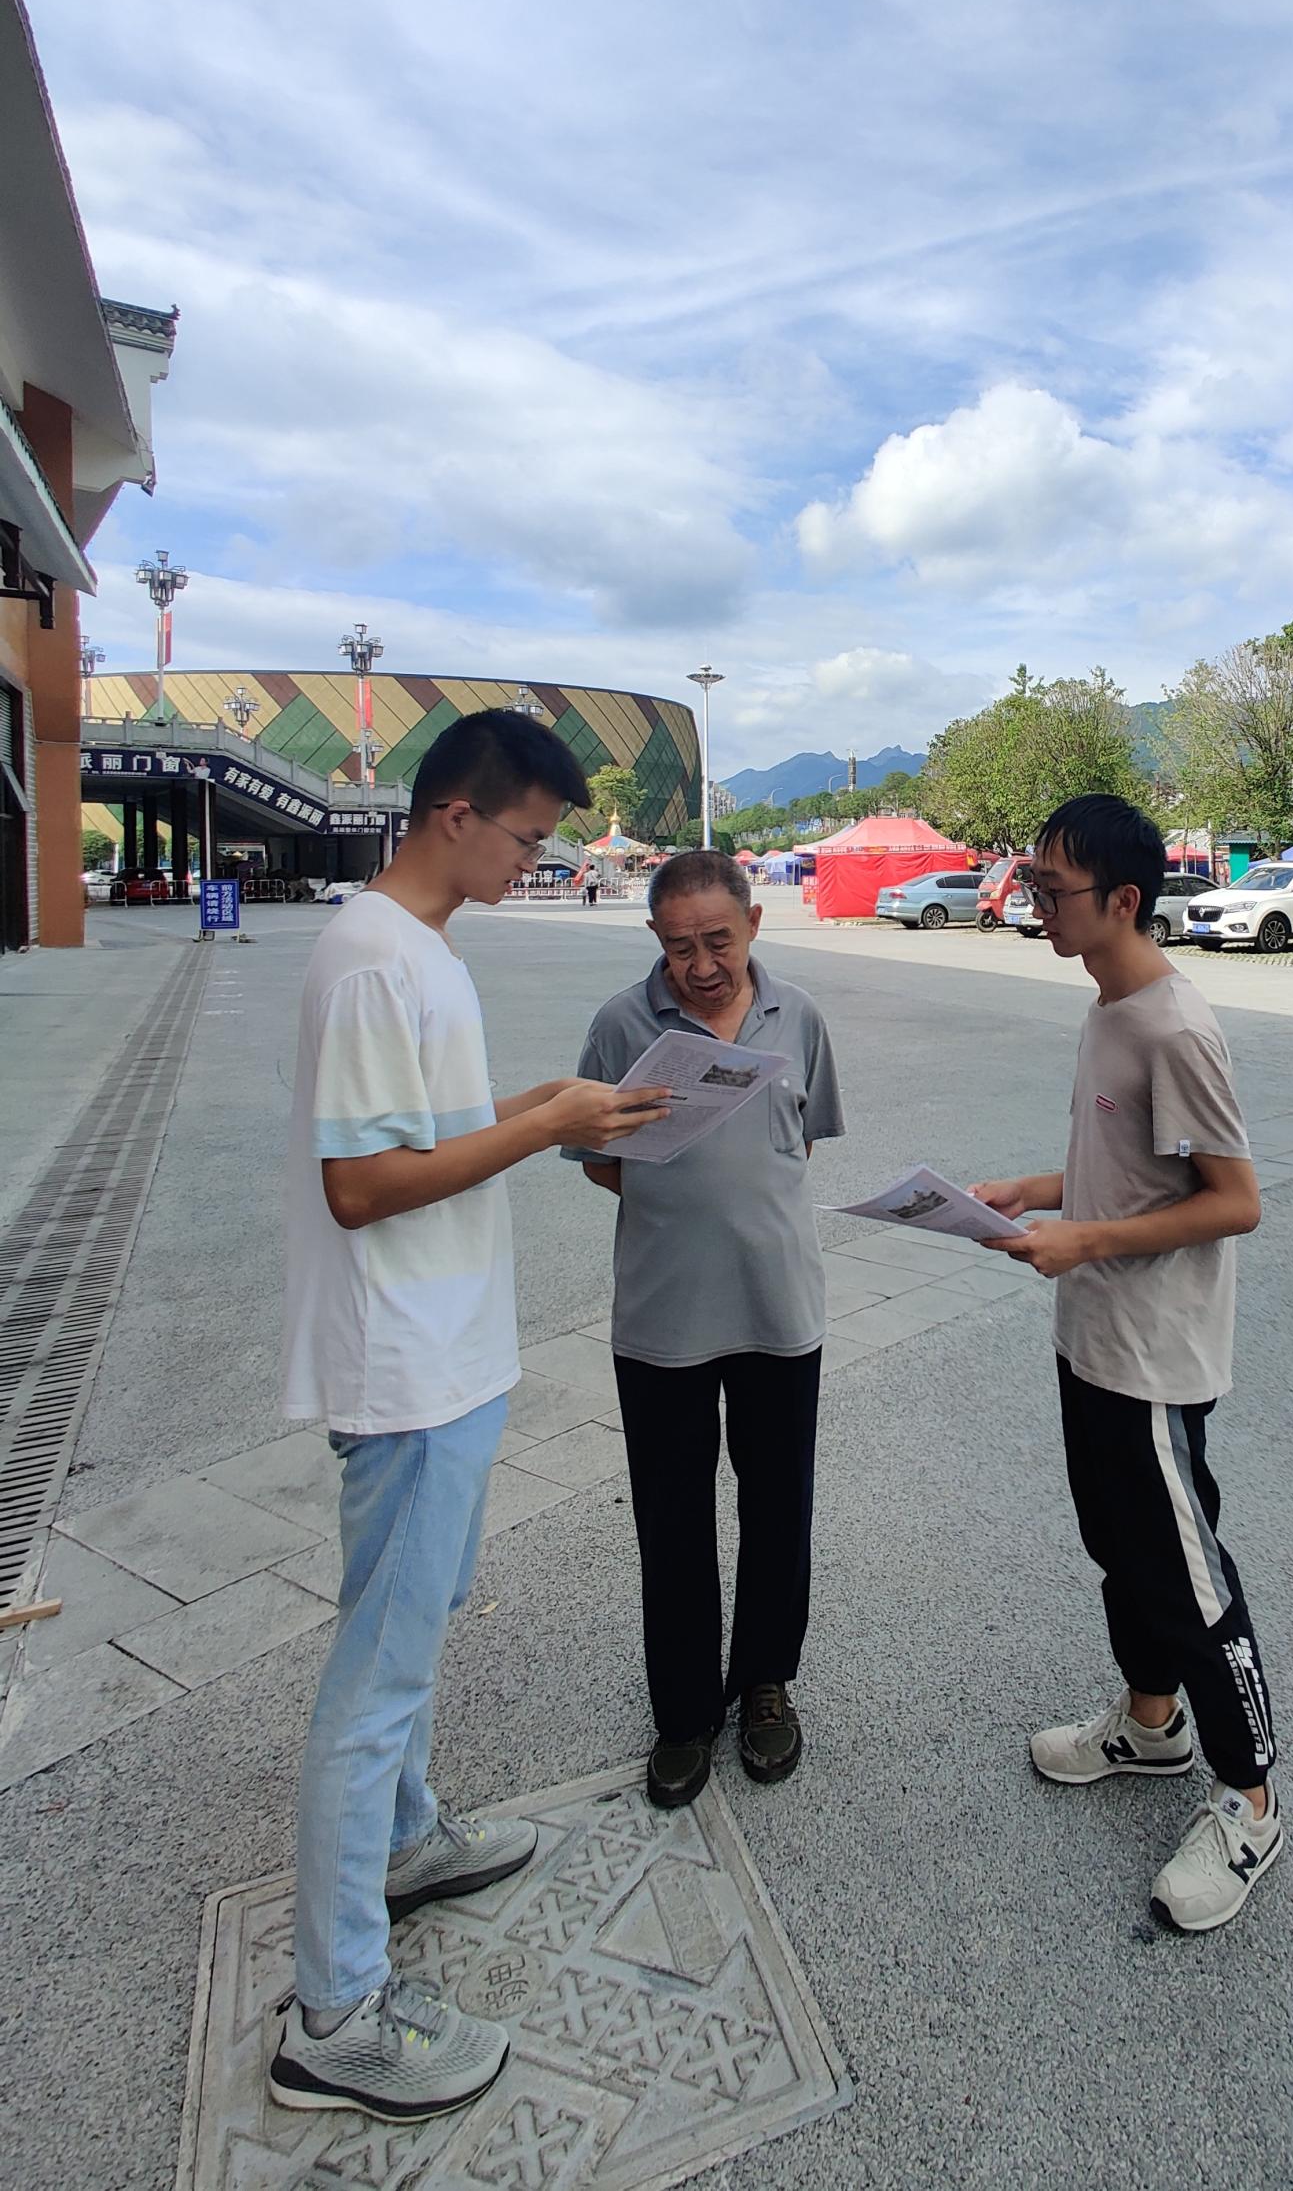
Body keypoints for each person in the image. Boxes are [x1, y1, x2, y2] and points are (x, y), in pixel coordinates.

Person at [270, 710, 671, 2125]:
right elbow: (361, 1185)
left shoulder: (419, 950)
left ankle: (404, 1837)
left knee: (413, 1622)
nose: (536, 862)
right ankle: (336, 2012)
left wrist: (544, 1102)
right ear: (455, 815)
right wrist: (547, 1127)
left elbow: (422, 1130)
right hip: (405, 1367)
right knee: (377, 1672)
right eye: (528, 838)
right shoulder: (374, 957)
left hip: (443, 1351)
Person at [971, 794, 1279, 1934]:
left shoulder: (1173, 1028)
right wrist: (1032, 1188)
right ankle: (1151, 1725)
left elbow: (1232, 1200)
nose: (1034, 904)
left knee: (1190, 1582)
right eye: (1031, 882)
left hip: (1153, 1357)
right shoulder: (1105, 1006)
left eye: (1052, 889)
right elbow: (1131, 1165)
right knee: (1122, 1552)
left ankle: (1250, 1799)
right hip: (1091, 1337)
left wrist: (1083, 1240)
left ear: (1123, 900)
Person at [569, 847, 844, 1809]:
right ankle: (684, 1713)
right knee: (672, 1519)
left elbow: (801, 1143)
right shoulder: (620, 1026)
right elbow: (598, 1160)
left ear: (753, 924)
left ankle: (765, 1682)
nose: (701, 965)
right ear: (655, 937)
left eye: (719, 941)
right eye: (680, 947)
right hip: (662, 1317)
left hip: (779, 1308)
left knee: (779, 1506)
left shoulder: (798, 1016)